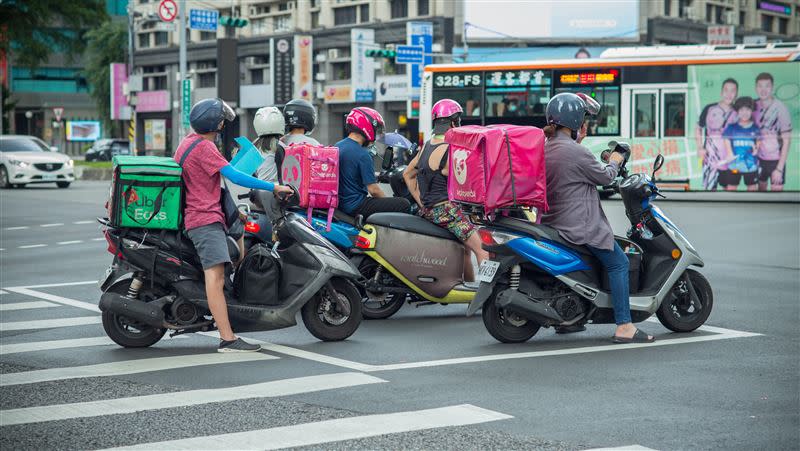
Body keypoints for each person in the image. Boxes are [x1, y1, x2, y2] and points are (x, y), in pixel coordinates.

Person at [175, 98, 294, 353]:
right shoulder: (204, 148)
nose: (222, 125)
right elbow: (234, 175)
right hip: (204, 219)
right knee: (215, 277)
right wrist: (274, 186)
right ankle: (227, 339)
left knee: (232, 261)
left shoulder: (188, 141)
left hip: (205, 215)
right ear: (213, 124)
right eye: (220, 121)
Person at [540, 92, 654, 343]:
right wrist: (615, 160)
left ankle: (569, 321)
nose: (585, 126)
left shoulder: (547, 147)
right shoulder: (574, 151)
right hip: (579, 225)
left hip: (552, 221)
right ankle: (624, 325)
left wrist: (577, 141)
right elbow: (605, 178)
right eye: (583, 121)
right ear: (575, 122)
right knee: (619, 262)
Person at [403, 99, 490, 283]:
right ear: (453, 122)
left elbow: (407, 175)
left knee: (465, 248)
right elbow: (469, 181)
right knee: (482, 249)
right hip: (447, 212)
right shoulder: (451, 150)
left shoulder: (425, 146)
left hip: (429, 211)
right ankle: (487, 296)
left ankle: (469, 289)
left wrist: (421, 201)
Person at [336, 107, 410, 219]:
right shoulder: (362, 154)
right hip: (356, 205)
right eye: (376, 129)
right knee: (404, 204)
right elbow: (373, 190)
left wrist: (376, 175)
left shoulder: (337, 146)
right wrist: (388, 202)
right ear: (367, 127)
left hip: (341, 204)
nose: (376, 133)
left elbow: (349, 172)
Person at [696, 78, 738, 190]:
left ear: (736, 94)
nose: (729, 94)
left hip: (730, 160)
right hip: (710, 159)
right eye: (726, 90)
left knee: (731, 194)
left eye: (732, 91)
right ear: (721, 92)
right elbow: (698, 128)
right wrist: (700, 147)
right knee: (710, 192)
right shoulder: (709, 109)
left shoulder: (738, 112)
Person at [753, 72, 792, 192]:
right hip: (759, 159)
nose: (763, 89)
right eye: (760, 86)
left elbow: (787, 141)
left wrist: (779, 169)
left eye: (767, 86)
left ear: (772, 88)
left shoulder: (781, 108)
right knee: (761, 193)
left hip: (776, 160)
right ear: (756, 88)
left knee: (777, 194)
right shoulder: (753, 106)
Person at [721, 97, 759, 191]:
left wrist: (756, 148)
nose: (744, 112)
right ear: (737, 111)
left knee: (752, 187)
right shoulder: (732, 127)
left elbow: (758, 140)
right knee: (731, 187)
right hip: (734, 165)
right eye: (741, 110)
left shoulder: (755, 128)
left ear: (752, 111)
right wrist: (729, 153)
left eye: (747, 109)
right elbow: (726, 139)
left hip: (750, 165)